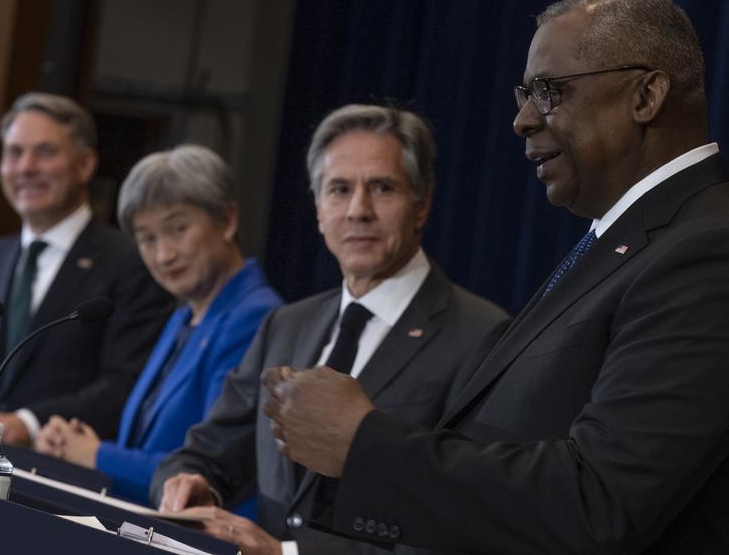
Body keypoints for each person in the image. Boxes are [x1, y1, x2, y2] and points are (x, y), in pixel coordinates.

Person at [261, 0, 729, 553]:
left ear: (646, 95)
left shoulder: (719, 256)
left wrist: (363, 443)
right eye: (524, 95)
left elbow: (598, 502)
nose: (522, 121)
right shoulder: (624, 242)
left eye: (549, 92)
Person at [151, 104, 510, 554]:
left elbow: (464, 522)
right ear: (319, 209)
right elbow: (208, 451)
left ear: (421, 204)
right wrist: (193, 484)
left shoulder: (481, 335)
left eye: (382, 188)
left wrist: (288, 554)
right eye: (339, 189)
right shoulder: (286, 325)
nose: (359, 211)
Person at [0, 92, 173, 446]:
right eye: (15, 152)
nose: (26, 167)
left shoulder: (130, 263)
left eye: (45, 152)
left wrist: (28, 423)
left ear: (84, 165)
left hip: (59, 476)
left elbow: (127, 384)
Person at [33, 145, 282, 508]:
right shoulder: (184, 314)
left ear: (227, 221)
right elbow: (151, 445)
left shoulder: (256, 317)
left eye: (177, 229)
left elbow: (210, 472)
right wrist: (78, 444)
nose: (164, 254)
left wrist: (96, 455)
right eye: (147, 239)